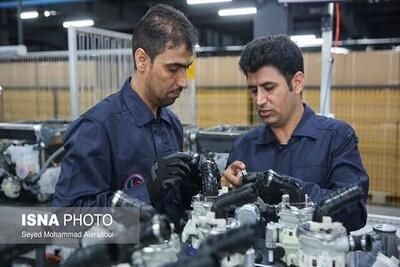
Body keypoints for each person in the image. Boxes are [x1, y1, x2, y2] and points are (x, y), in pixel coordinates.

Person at [54, 4, 200, 221]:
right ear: (142, 60)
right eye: (172, 69)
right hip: (124, 254)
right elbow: (67, 218)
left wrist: (191, 187)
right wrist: (144, 192)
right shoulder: (97, 128)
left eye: (186, 68)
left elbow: (171, 204)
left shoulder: (172, 124)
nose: (183, 82)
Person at [221, 35, 369, 231]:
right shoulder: (245, 146)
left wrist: (284, 188)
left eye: (269, 88)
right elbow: (229, 216)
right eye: (254, 90)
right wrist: (226, 190)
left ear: (297, 83)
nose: (259, 101)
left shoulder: (337, 138)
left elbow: (354, 213)